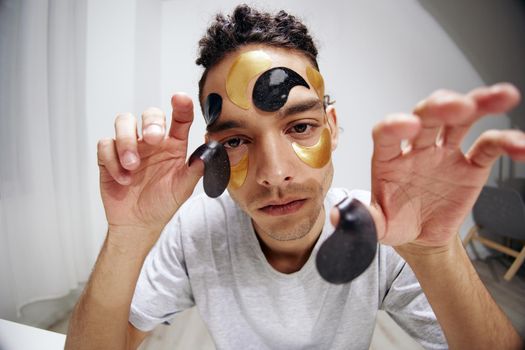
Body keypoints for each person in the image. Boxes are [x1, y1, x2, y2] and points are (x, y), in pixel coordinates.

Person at [65, 4, 524, 350]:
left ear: (333, 126)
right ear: (211, 152)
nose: (275, 174)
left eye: (300, 126)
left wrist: (436, 253)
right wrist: (130, 236)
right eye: (236, 140)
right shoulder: (193, 234)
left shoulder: (387, 227)